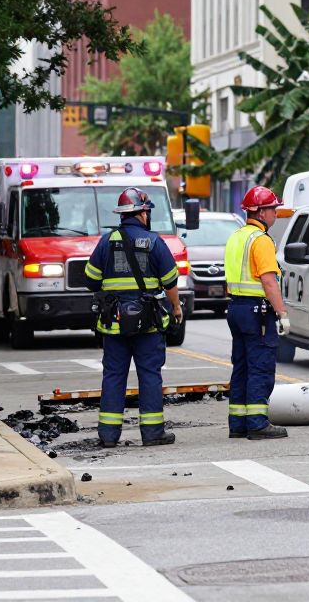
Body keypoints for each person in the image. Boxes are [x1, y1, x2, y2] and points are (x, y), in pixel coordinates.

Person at [85, 187, 183, 448]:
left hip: (114, 323)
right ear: (141, 212)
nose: (148, 214)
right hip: (148, 325)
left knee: (113, 375)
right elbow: (170, 280)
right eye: (147, 210)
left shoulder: (107, 241)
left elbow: (91, 279)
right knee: (150, 374)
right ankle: (152, 434)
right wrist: (175, 307)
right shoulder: (153, 241)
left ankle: (108, 435)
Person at [224, 185, 291, 440]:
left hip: (237, 308)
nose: (275, 213)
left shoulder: (237, 237)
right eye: (273, 209)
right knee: (260, 367)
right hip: (257, 312)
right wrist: (282, 313)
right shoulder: (261, 241)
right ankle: (257, 423)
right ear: (261, 212)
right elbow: (269, 280)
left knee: (241, 367)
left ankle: (238, 423)